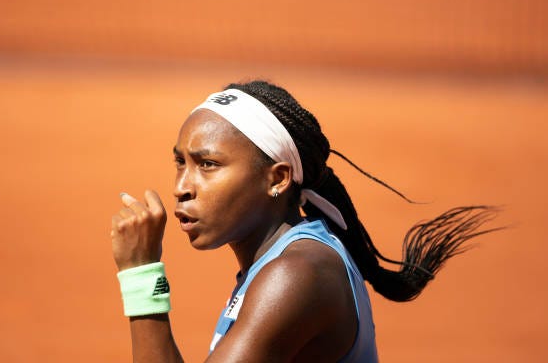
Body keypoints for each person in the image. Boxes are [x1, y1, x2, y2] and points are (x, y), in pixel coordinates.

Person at [110, 81, 498, 362]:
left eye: (208, 165)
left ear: (276, 179)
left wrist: (142, 276)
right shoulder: (285, 261)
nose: (181, 187)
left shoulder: (296, 275)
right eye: (181, 162)